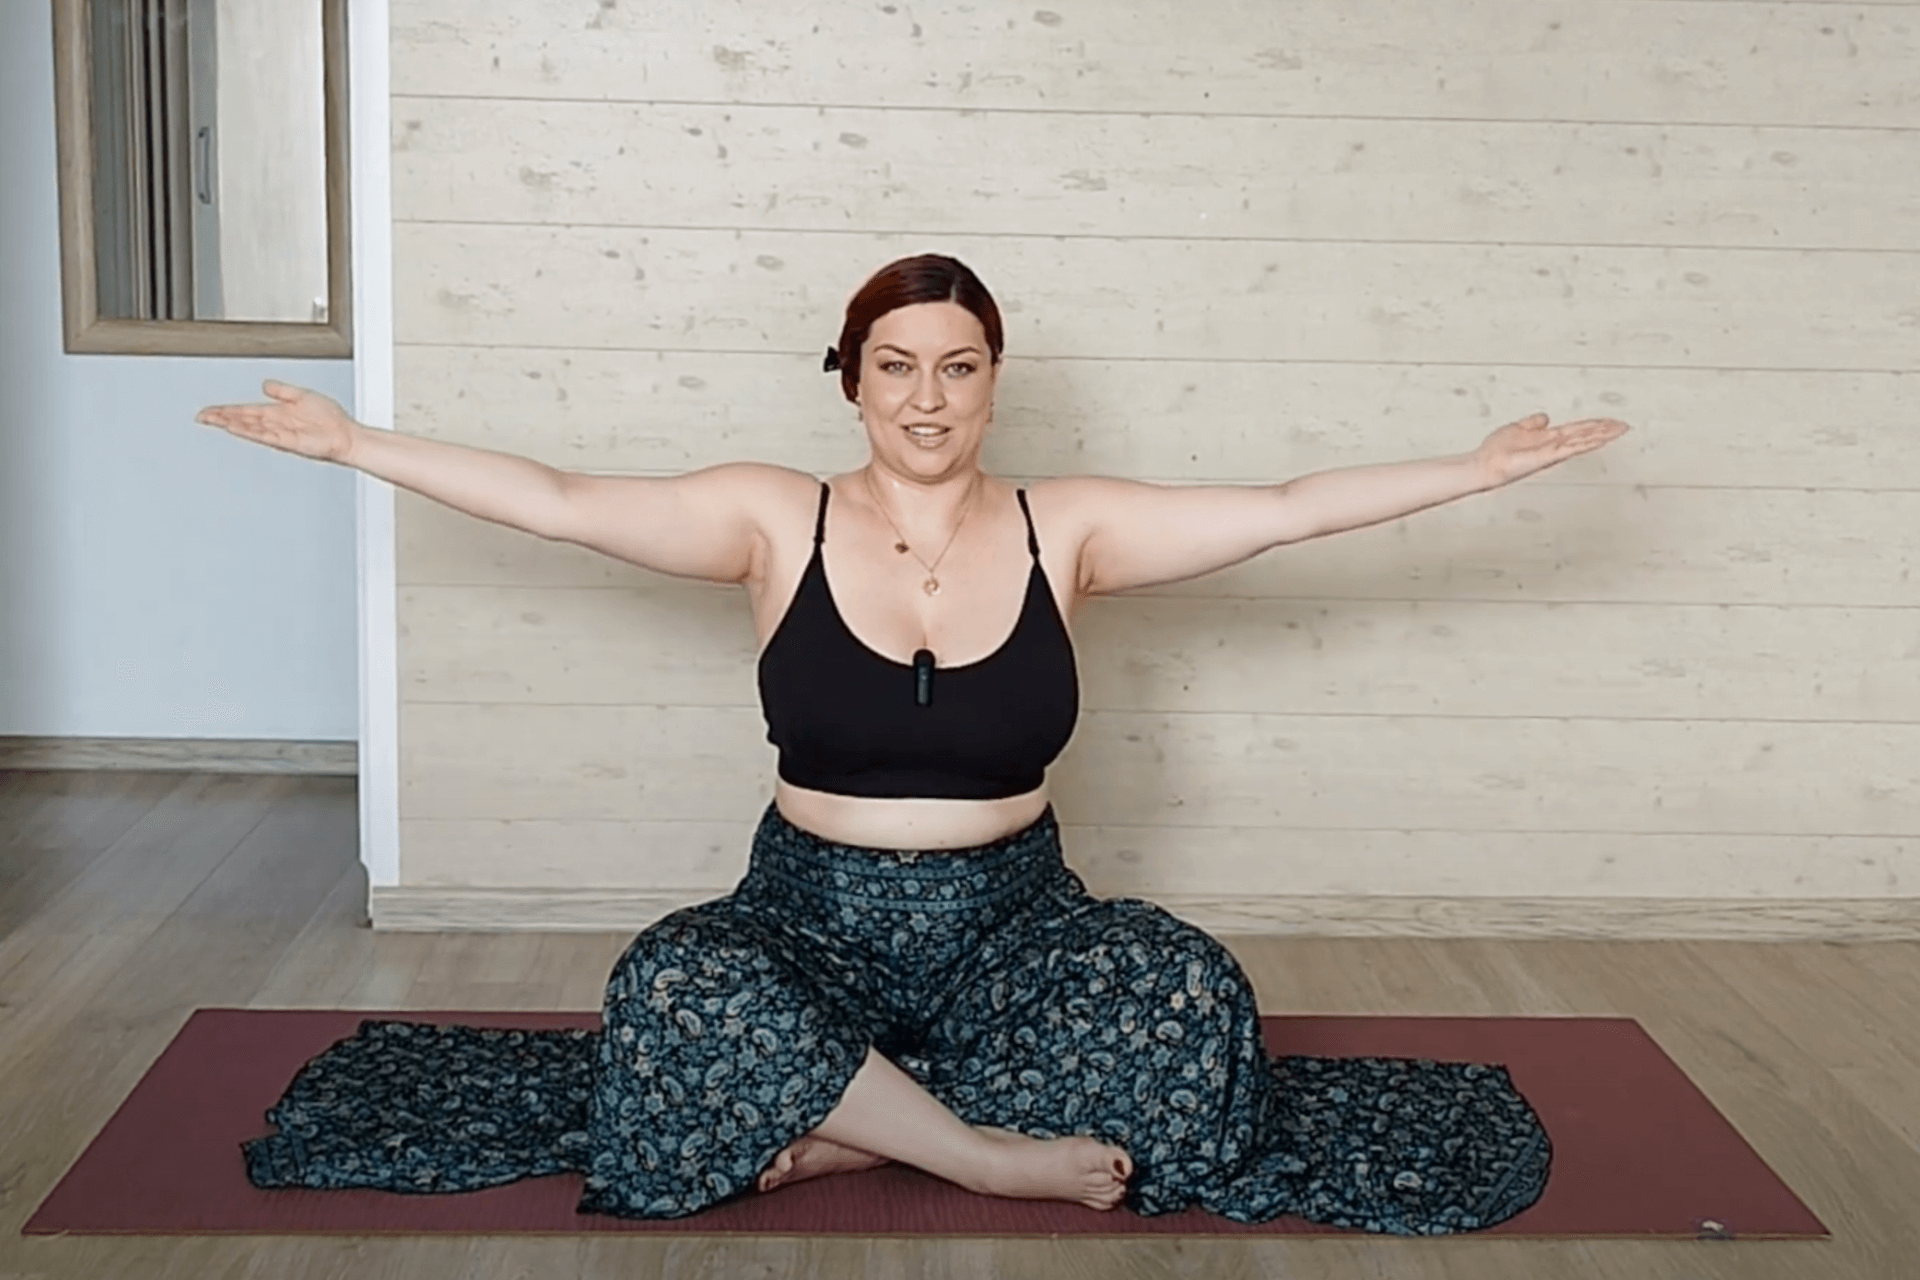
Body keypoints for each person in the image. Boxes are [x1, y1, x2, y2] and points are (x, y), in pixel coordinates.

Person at [203, 253, 1627, 1231]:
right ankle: (980, 1158)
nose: (927, 399)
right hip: (803, 921)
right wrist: (356, 443)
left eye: (957, 367)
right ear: (852, 379)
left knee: (1190, 993)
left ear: (996, 380)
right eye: (896, 366)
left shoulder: (1069, 527)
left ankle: (834, 1134)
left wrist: (1474, 471)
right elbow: (566, 499)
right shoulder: (774, 517)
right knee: (672, 985)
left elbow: (1286, 508)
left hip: (1018, 927)